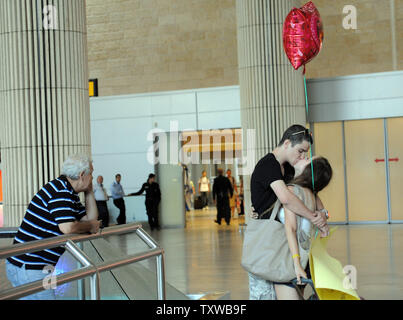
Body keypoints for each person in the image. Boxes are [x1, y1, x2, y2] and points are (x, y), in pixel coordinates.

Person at [248, 124, 329, 300]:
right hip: (267, 246)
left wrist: (322, 212)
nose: (302, 156)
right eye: (300, 151)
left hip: (286, 248)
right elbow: (286, 198)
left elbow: (310, 191)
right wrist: (314, 217)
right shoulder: (268, 165)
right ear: (287, 143)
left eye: (305, 153)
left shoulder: (291, 168)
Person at [5, 154, 101, 300]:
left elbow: (91, 219)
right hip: (29, 266)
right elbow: (68, 227)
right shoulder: (60, 191)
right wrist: (91, 225)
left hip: (35, 266)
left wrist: (89, 191)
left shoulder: (69, 192)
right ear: (82, 175)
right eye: (91, 173)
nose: (92, 178)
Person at [274, 156, 333, 300]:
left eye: (309, 159)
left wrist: (296, 264)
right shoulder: (313, 195)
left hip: (289, 262)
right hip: (307, 260)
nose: (304, 157)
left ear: (309, 171)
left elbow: (291, 228)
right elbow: (324, 220)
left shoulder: (291, 191)